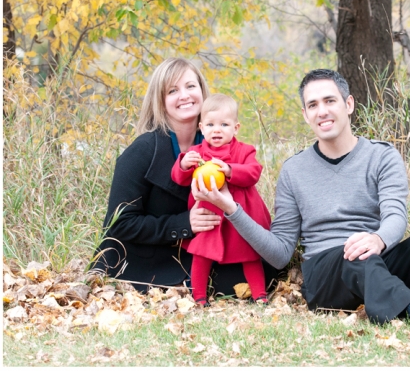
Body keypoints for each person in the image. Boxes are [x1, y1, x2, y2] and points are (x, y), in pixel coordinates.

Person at [192, 69, 410, 334]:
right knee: (356, 257)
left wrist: (377, 239)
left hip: (379, 261)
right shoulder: (294, 170)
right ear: (306, 115)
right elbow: (280, 253)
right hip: (327, 276)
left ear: (348, 105)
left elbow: (395, 216)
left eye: (329, 101)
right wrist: (231, 208)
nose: (322, 111)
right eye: (313, 105)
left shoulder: (382, 156)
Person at [90, 58, 278, 295]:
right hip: (146, 258)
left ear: (202, 91)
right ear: (161, 101)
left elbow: (248, 180)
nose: (185, 95)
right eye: (173, 90)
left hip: (203, 250)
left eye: (191, 86)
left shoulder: (220, 143)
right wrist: (183, 224)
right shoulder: (143, 149)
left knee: (266, 270)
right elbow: (118, 223)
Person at [171, 94, 271, 306]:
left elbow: (254, 172)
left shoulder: (244, 151)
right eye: (210, 124)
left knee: (250, 255)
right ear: (202, 128)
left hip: (240, 216)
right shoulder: (196, 153)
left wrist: (230, 169)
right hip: (209, 216)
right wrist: (183, 164)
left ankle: (260, 295)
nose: (217, 130)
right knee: (201, 255)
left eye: (224, 124)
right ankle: (199, 296)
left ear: (235, 128)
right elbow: (178, 179)